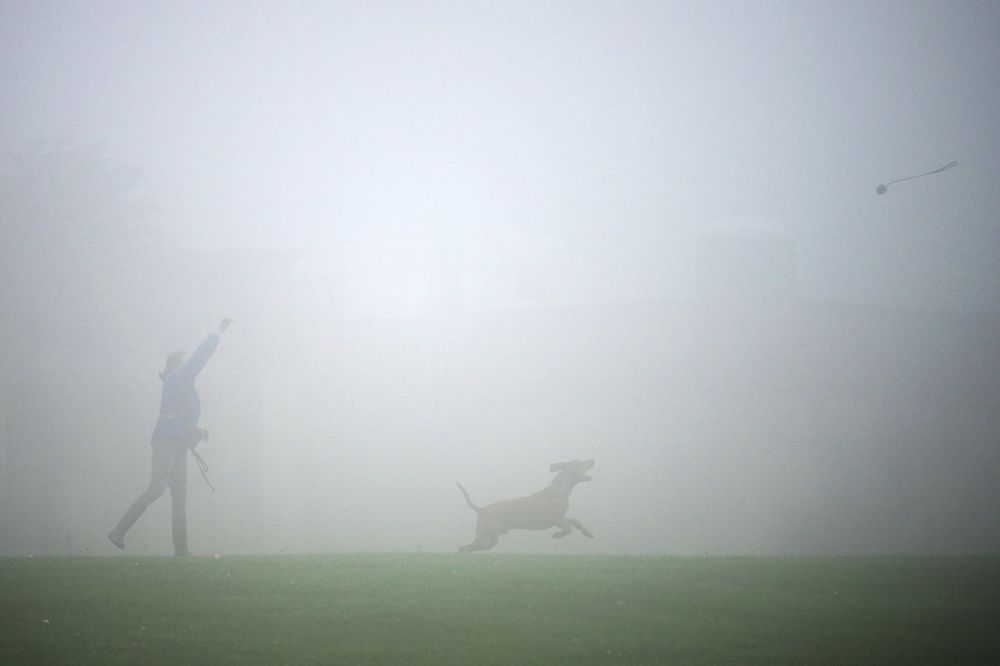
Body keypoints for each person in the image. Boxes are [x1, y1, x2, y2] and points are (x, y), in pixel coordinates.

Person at [108, 318, 233, 556]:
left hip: (176, 442)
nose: (189, 364)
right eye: (185, 360)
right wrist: (218, 332)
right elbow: (201, 356)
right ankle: (118, 532)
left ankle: (182, 551)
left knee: (179, 496)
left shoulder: (178, 382)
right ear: (177, 364)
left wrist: (195, 431)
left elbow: (180, 415)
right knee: (157, 488)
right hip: (168, 441)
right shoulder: (179, 376)